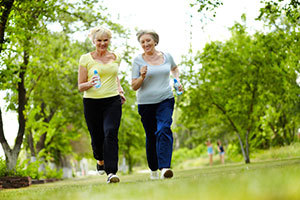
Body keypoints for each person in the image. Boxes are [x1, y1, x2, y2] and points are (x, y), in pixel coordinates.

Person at [131, 29, 183, 180]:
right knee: (151, 136)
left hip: (165, 99)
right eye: (142, 42)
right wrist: (142, 76)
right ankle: (153, 169)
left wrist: (177, 80)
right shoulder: (137, 60)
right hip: (146, 103)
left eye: (148, 41)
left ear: (155, 41)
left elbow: (174, 68)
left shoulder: (167, 56)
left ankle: (165, 167)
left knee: (164, 129)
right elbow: (134, 86)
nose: (146, 44)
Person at [78, 26, 126, 184]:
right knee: (97, 138)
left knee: (110, 133)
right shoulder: (85, 59)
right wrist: (90, 83)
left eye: (106, 40)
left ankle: (111, 172)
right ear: (93, 41)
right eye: (99, 40)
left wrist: (120, 90)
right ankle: (100, 160)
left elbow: (114, 76)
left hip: (112, 100)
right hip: (91, 102)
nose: (102, 43)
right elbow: (80, 86)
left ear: (109, 40)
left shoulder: (115, 57)